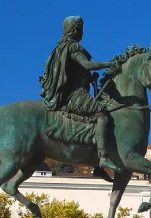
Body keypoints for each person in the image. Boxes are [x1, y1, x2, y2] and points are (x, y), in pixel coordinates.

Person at [40, 16, 121, 172]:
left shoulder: (60, 48)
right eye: (81, 29)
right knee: (103, 115)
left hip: (67, 93)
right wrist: (109, 64)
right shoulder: (73, 47)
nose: (83, 32)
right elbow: (87, 64)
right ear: (75, 29)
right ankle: (103, 158)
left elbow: (73, 72)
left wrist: (88, 78)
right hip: (74, 95)